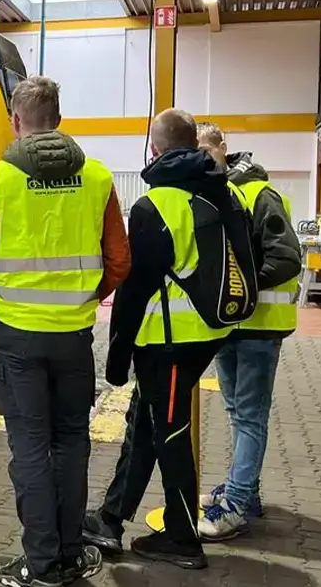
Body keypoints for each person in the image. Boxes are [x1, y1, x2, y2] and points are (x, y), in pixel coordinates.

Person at [0, 76, 128, 587]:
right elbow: (120, 260)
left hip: (16, 339)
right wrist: (85, 298)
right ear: (58, 118)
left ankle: (42, 562)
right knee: (73, 442)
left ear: (16, 121)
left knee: (30, 446)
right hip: (75, 336)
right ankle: (71, 552)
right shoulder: (97, 178)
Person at [82, 109, 247, 570]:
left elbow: (135, 292)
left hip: (170, 342)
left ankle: (182, 539)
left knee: (169, 434)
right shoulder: (218, 191)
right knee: (148, 424)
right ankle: (111, 519)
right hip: (208, 332)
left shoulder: (155, 206)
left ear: (154, 149)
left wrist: (116, 358)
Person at [196, 124, 301, 540]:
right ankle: (247, 492)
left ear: (224, 147)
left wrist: (242, 288)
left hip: (258, 326)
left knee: (251, 416)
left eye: (208, 149)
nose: (204, 158)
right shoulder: (213, 195)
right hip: (230, 323)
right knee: (238, 413)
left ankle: (236, 504)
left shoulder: (260, 194)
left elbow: (287, 257)